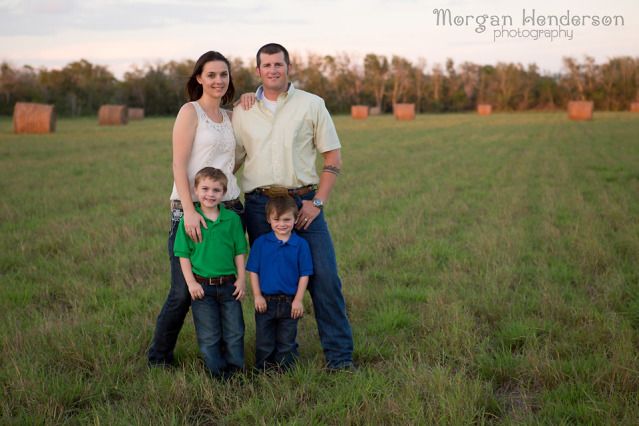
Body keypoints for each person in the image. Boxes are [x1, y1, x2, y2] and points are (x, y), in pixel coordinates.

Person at [232, 42, 355, 371]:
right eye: (266, 65)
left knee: (325, 279)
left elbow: (333, 158)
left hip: (303, 203)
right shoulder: (242, 112)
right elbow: (232, 161)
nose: (273, 69)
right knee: (269, 283)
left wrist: (317, 203)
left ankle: (340, 360)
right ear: (257, 71)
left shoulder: (312, 104)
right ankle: (274, 359)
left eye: (279, 64)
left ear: (289, 68)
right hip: (260, 206)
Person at [148, 51, 244, 367]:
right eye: (212, 74)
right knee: (183, 291)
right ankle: (159, 357)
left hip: (230, 208)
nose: (219, 80)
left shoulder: (231, 117)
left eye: (224, 74)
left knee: (226, 286)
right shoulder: (190, 112)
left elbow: (233, 161)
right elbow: (178, 163)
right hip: (190, 209)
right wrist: (189, 210)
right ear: (199, 78)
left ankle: (228, 355)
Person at [173, 167, 247, 378]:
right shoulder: (190, 221)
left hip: (229, 286)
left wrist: (242, 280)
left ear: (223, 193)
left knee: (234, 332)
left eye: (216, 190)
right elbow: (183, 254)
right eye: (205, 188)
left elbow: (240, 251)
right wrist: (191, 283)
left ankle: (236, 373)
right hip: (202, 288)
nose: (210, 194)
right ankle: (218, 375)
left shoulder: (231, 220)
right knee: (209, 335)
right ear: (195, 191)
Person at [246, 196, 313, 371]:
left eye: (287, 220)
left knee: (286, 342)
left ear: (295, 219)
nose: (281, 224)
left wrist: (298, 300)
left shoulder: (300, 245)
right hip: (265, 302)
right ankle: (264, 373)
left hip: (289, 303)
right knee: (264, 342)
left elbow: (304, 274)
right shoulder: (261, 243)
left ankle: (286, 374)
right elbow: (254, 271)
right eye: (276, 219)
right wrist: (257, 296)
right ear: (268, 219)